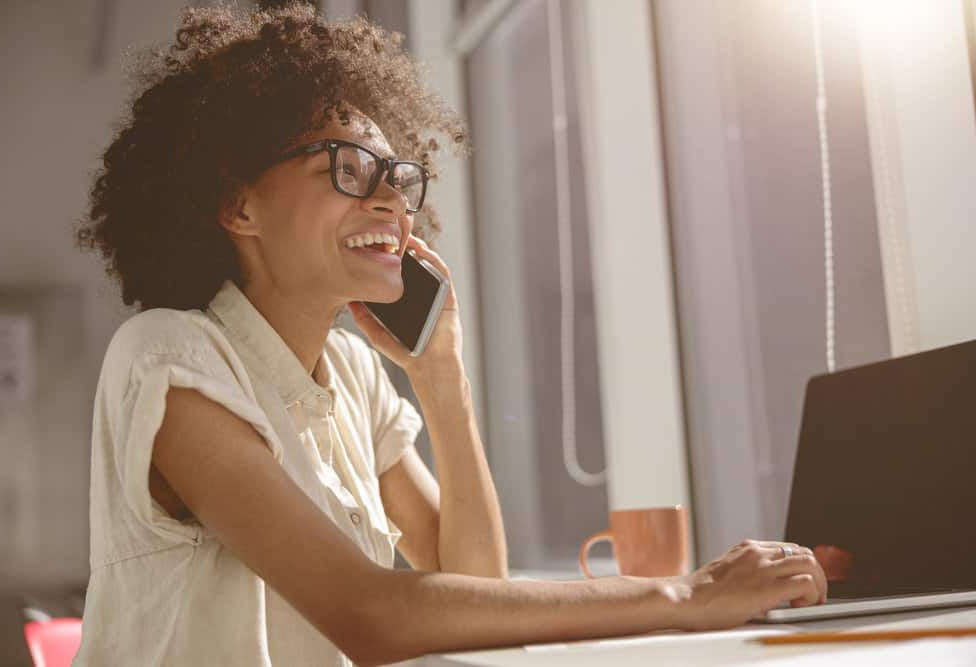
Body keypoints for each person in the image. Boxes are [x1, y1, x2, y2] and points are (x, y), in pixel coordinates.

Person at [72, 4, 827, 666]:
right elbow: (370, 614)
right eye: (347, 167)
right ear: (238, 206)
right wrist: (682, 591)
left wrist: (442, 380)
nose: (390, 203)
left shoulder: (354, 376)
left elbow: (473, 582)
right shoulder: (169, 359)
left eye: (396, 179)